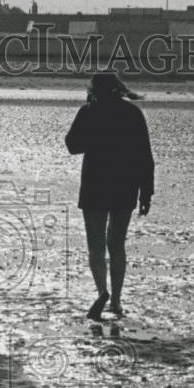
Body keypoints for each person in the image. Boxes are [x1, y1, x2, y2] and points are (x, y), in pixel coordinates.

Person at [65, 71, 154, 320]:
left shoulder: (89, 112)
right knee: (116, 244)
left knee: (95, 244)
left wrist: (93, 136)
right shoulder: (132, 113)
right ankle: (116, 300)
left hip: (95, 182)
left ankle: (102, 291)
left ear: (94, 90)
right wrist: (146, 192)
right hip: (125, 184)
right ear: (117, 88)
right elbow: (144, 155)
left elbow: (72, 145)